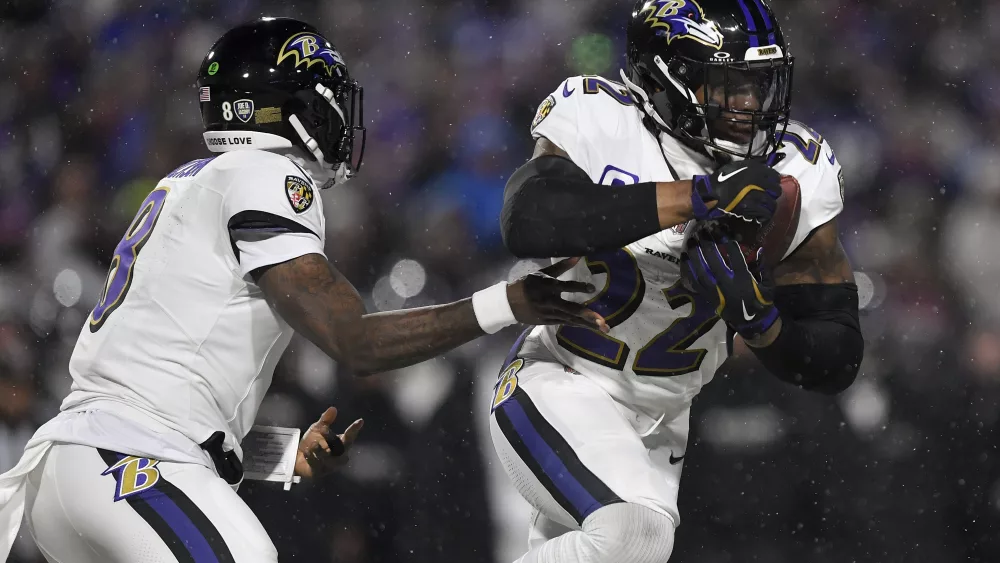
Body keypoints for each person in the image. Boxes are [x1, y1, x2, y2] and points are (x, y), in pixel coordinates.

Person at [0, 17, 607, 563]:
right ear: (286, 105)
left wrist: (271, 453)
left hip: (82, 468)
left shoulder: (191, 181)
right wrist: (509, 301)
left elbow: (163, 382)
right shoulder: (267, 172)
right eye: (329, 98)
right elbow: (356, 342)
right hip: (129, 460)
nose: (342, 115)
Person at [490, 1, 865, 561]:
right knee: (635, 537)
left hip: (665, 419)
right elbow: (530, 220)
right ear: (670, 78)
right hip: (562, 380)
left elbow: (838, 356)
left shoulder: (795, 172)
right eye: (729, 85)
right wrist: (699, 199)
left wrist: (761, 324)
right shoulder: (601, 116)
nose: (749, 105)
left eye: (759, 85)